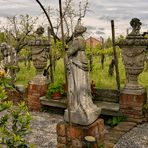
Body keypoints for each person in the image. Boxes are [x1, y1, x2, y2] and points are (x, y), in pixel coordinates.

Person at [64, 23, 100, 125]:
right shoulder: (83, 40)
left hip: (77, 62)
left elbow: (70, 52)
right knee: (83, 82)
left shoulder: (77, 41)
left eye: (75, 30)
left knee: (77, 83)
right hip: (82, 60)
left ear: (76, 31)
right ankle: (84, 102)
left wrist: (66, 53)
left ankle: (77, 104)